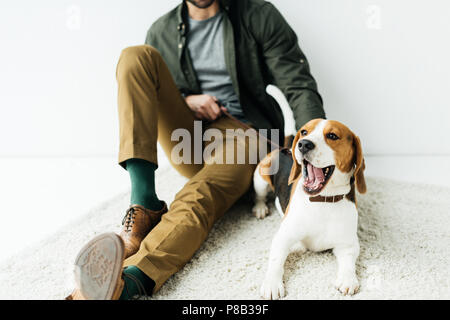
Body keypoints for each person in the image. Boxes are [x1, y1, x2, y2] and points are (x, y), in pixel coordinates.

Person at [66, 0, 325, 300]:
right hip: (187, 136)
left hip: (245, 133)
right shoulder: (161, 31)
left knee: (199, 192)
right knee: (134, 57)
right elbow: (153, 96)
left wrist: (317, 149)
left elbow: (298, 84)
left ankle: (131, 281)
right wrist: (186, 100)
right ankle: (144, 204)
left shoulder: (257, 16)